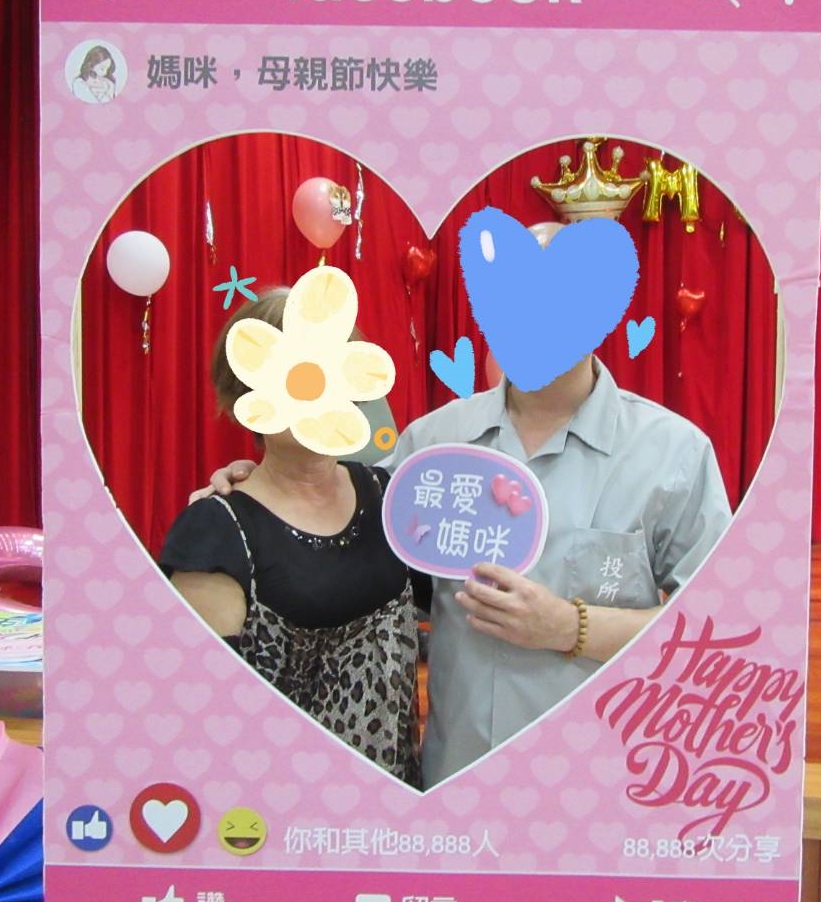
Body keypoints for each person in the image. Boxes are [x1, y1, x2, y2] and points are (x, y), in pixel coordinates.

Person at [201, 223, 732, 790]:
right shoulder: (432, 444)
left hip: (601, 785)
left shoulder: (673, 452)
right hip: (455, 783)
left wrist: (572, 627)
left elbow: (721, 630)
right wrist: (258, 492)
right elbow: (339, 526)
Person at [159, 283, 426, 791]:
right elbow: (200, 710)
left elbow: (460, 602)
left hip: (395, 804)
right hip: (275, 810)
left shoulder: (389, 495)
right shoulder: (214, 530)